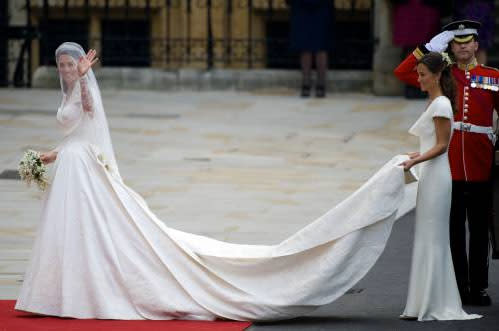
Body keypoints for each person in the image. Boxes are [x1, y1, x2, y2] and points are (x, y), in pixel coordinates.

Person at [15, 42, 419, 320]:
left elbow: (89, 113)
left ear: (80, 66)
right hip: (72, 164)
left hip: (85, 173)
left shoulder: (82, 88)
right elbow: (77, 132)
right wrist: (50, 154)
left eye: (71, 65)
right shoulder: (63, 92)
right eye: (64, 66)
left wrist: (86, 79)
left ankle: (87, 290)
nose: (67, 70)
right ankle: (63, 290)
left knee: (98, 231)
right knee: (72, 233)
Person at [394, 20, 499, 306]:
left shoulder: (492, 77)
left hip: (480, 163)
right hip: (449, 164)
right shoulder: (445, 75)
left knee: (479, 231)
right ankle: (459, 286)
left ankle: (478, 287)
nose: (464, 47)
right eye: (458, 42)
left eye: (468, 42)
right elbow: (403, 73)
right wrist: (426, 49)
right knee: (452, 228)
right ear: (451, 46)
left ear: (477, 44)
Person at [397, 52, 480, 321]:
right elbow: (431, 142)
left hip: (437, 176)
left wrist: (417, 160)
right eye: (418, 74)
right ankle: (422, 302)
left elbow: (442, 146)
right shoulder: (435, 101)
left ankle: (434, 302)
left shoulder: (442, 104)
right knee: (425, 236)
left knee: (433, 238)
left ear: (436, 76)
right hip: (430, 173)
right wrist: (415, 154)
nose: (418, 78)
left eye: (422, 74)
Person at [286, 0, 334, 98]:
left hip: (321, 7)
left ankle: (320, 84)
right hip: (302, 7)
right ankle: (306, 83)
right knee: (305, 45)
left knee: (321, 45)